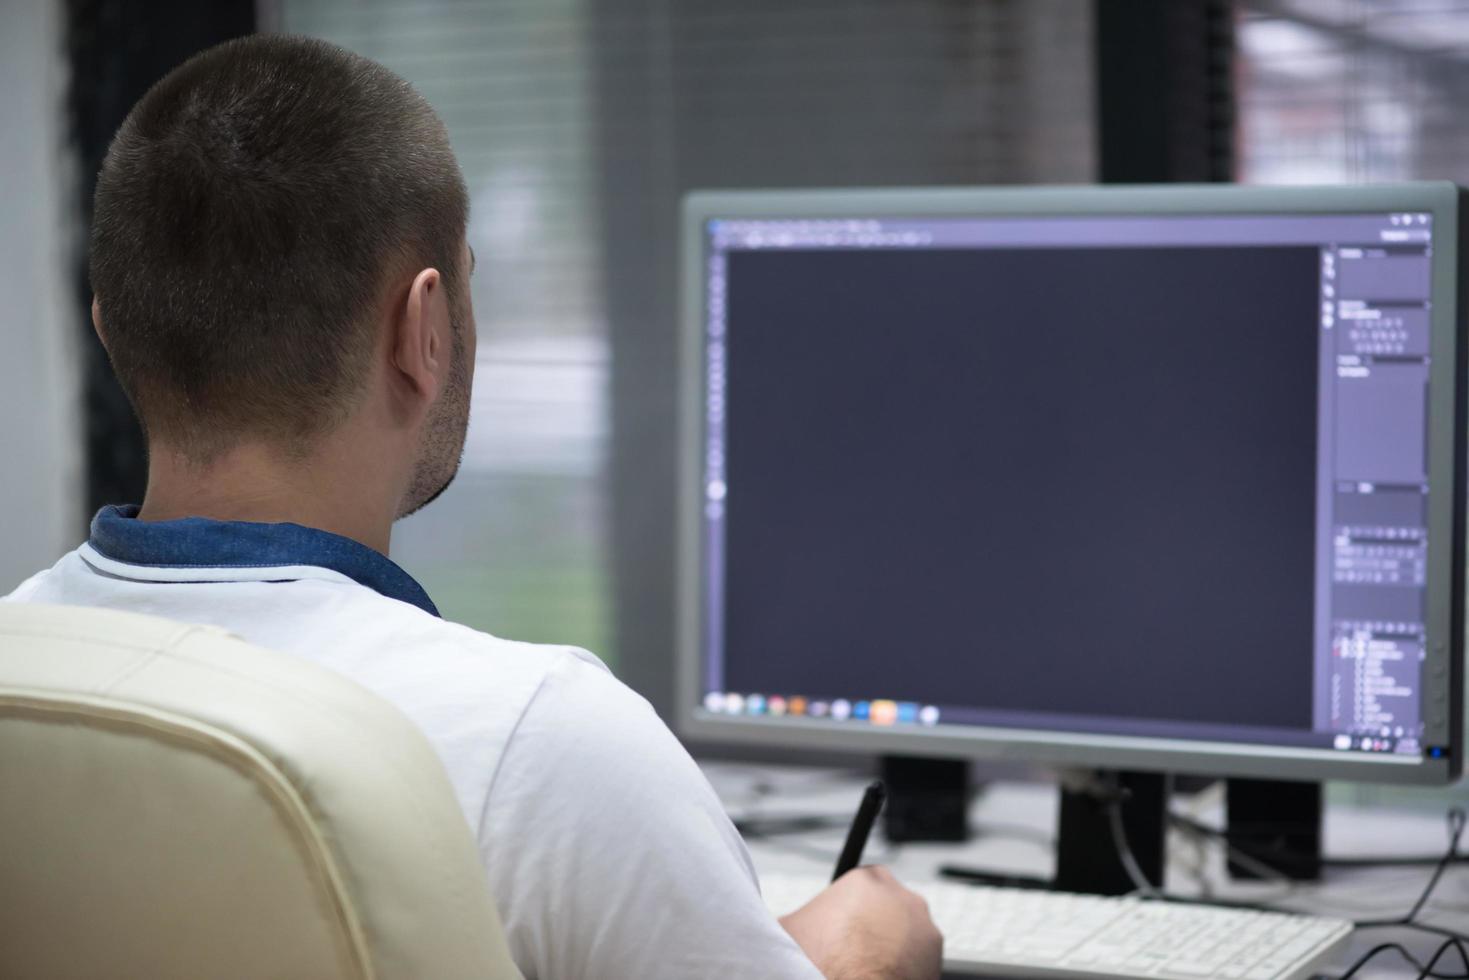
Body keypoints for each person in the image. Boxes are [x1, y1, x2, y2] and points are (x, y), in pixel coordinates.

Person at [4, 34, 941, 980]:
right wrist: (861, 957)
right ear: (424, 330)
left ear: (109, 333)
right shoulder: (544, 746)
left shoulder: (21, 667)